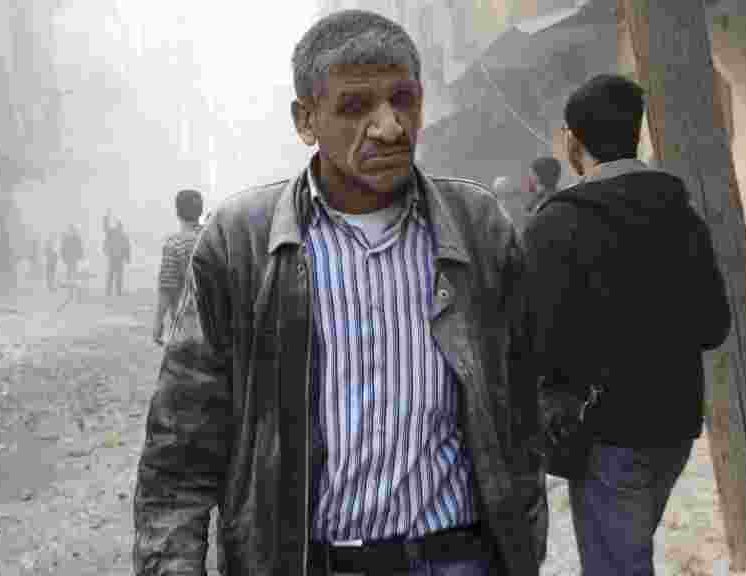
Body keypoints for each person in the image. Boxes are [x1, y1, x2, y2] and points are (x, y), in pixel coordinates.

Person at [133, 10, 546, 576]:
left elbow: (519, 407)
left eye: (403, 99)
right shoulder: (241, 243)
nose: (389, 127)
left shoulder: (478, 227)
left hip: (457, 559)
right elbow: (180, 450)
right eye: (355, 107)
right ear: (306, 121)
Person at [522, 74, 731, 576]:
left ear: (573, 141)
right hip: (676, 424)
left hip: (604, 435)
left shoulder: (556, 223)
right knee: (629, 552)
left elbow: (535, 343)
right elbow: (713, 325)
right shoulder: (678, 211)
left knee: (617, 564)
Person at [152, 189, 203, 345]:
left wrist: (158, 322)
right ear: (200, 211)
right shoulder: (212, 238)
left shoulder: (174, 244)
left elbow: (167, 287)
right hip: (216, 324)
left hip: (186, 325)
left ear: (177, 212)